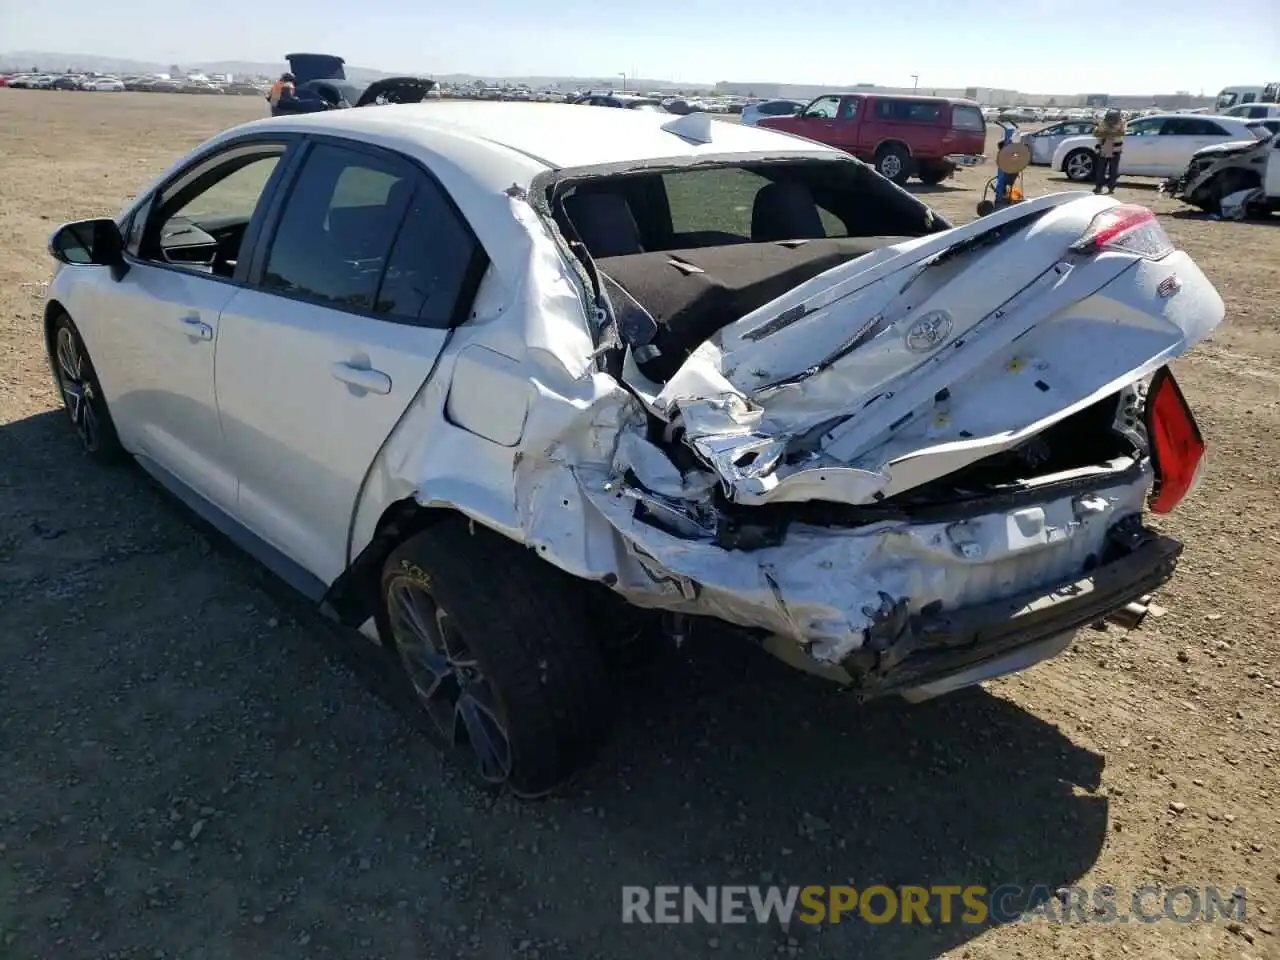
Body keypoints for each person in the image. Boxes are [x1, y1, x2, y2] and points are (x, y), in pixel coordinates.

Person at [1093, 109, 1126, 195]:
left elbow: (1122, 133)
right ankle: (1099, 187)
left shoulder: (1121, 123)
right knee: (1102, 169)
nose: (1111, 121)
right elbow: (1096, 133)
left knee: (1112, 169)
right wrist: (1109, 133)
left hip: (1115, 147)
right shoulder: (1102, 123)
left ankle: (1110, 187)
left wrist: (1108, 133)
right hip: (1105, 146)